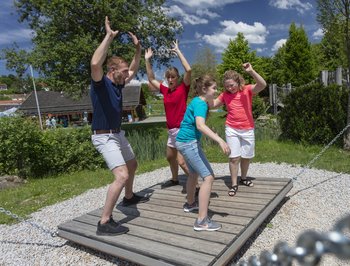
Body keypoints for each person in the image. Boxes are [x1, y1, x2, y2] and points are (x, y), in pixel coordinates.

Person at [90, 16, 149, 236]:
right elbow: (95, 63)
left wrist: (138, 50)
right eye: (123, 72)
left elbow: (133, 68)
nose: (128, 75)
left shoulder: (118, 83)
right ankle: (104, 222)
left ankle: (129, 197)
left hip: (117, 134)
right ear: (112, 70)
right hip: (103, 136)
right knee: (122, 175)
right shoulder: (101, 84)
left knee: (132, 165)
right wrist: (108, 36)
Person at [175, 75, 230, 231]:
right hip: (188, 143)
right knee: (208, 177)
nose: (216, 90)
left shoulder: (199, 101)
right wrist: (219, 140)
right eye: (214, 88)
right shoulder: (200, 104)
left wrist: (226, 92)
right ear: (205, 89)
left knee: (193, 174)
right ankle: (202, 221)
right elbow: (200, 125)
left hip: (184, 141)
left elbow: (215, 102)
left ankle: (190, 203)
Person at [210, 63, 266, 197]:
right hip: (231, 128)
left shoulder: (246, 89)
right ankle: (234, 184)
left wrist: (251, 71)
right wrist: (205, 94)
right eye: (227, 86)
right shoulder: (224, 95)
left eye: (232, 85)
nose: (230, 88)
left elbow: (263, 85)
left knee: (246, 156)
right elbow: (212, 104)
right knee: (234, 157)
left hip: (248, 129)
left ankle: (244, 178)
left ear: (238, 81)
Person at [144, 41, 192, 187]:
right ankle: (175, 179)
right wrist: (147, 60)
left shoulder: (183, 89)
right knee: (170, 157)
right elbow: (151, 79)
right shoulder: (165, 91)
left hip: (182, 129)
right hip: (171, 131)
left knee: (182, 161)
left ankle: (198, 185)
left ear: (177, 78)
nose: (170, 80)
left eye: (173, 77)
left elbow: (189, 70)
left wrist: (177, 51)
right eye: (168, 77)